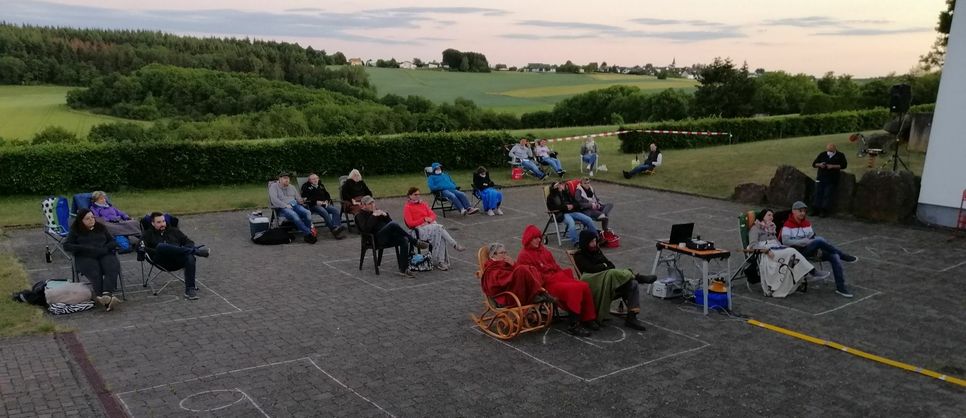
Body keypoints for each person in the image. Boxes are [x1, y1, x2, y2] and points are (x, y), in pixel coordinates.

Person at [516, 225, 597, 337]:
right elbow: (529, 277)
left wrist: (560, 274)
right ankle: (574, 324)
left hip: (557, 277)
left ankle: (588, 317)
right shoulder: (523, 255)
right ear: (528, 239)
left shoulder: (543, 250)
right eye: (535, 238)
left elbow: (554, 265)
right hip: (546, 284)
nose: (539, 240)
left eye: (539, 237)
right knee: (574, 289)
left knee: (584, 285)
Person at [572, 230, 653, 330]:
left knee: (632, 284)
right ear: (585, 242)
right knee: (611, 273)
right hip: (593, 284)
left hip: (607, 281)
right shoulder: (579, 255)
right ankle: (636, 276)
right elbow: (590, 269)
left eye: (595, 241)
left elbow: (611, 265)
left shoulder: (596, 250)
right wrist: (604, 266)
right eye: (591, 241)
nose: (594, 244)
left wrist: (603, 266)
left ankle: (631, 317)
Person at [781, 201, 858, 298]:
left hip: (811, 250)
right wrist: (801, 241)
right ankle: (843, 255)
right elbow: (785, 241)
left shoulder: (806, 224)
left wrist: (813, 245)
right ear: (793, 211)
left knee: (834, 256)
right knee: (819, 240)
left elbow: (812, 237)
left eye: (804, 211)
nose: (803, 213)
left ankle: (841, 288)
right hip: (797, 253)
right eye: (800, 211)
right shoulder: (787, 225)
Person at [748, 208, 831, 297]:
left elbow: (777, 242)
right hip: (765, 252)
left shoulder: (771, 227)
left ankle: (804, 275)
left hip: (776, 248)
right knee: (792, 251)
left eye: (772, 215)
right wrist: (766, 251)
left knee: (791, 252)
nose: (771, 217)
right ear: (762, 216)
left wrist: (783, 247)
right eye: (769, 215)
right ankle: (811, 272)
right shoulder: (755, 228)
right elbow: (752, 245)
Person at [355, 196, 430, 278]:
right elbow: (366, 229)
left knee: (403, 240)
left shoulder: (377, 212)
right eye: (370, 204)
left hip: (386, 236)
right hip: (375, 239)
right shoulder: (360, 215)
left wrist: (385, 215)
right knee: (393, 224)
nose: (373, 205)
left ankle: (404, 269)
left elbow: (390, 223)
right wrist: (373, 216)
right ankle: (414, 241)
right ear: (364, 205)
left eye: (373, 202)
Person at [63, 208, 122, 311]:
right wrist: (84, 248)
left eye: (92, 217)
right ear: (81, 221)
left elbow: (112, 242)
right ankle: (107, 301)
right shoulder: (76, 230)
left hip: (103, 253)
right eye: (87, 218)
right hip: (85, 256)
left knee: (111, 267)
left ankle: (107, 294)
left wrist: (106, 248)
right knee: (95, 272)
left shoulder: (101, 227)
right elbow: (67, 246)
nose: (91, 220)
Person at [141, 212, 210, 300]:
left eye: (163, 221)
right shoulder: (148, 234)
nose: (162, 224)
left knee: (189, 257)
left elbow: (189, 242)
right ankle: (196, 252)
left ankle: (190, 290)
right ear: (152, 223)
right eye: (159, 222)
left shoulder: (174, 231)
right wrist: (155, 251)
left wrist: (184, 249)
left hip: (177, 259)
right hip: (161, 261)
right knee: (161, 246)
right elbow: (141, 247)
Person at [402, 187, 466, 271]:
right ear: (410, 195)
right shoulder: (407, 207)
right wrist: (423, 220)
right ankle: (454, 245)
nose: (418, 196)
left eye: (418, 194)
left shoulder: (423, 204)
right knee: (438, 227)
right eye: (415, 194)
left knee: (440, 233)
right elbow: (410, 223)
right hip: (417, 231)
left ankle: (441, 262)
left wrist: (429, 220)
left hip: (429, 227)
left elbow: (433, 215)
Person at [480, 243, 553, 306]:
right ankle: (536, 294)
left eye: (505, 252)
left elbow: (514, 275)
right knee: (521, 269)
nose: (504, 255)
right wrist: (515, 270)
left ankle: (538, 293)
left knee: (530, 268)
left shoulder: (504, 263)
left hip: (514, 289)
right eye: (502, 253)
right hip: (506, 295)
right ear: (493, 255)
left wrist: (513, 264)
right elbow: (498, 284)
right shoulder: (491, 268)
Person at [546, 181, 598, 247]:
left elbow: (576, 203)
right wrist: (565, 207)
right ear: (553, 188)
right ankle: (576, 242)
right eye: (557, 185)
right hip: (563, 214)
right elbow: (552, 208)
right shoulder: (551, 197)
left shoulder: (566, 194)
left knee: (588, 219)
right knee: (571, 223)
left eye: (560, 184)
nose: (560, 186)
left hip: (573, 212)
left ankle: (595, 238)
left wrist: (572, 206)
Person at [269, 172, 317, 244]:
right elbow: (274, 200)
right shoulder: (273, 186)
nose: (287, 180)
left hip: (295, 205)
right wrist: (285, 205)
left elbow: (298, 198)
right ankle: (308, 233)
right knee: (294, 215)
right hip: (283, 207)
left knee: (307, 212)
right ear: (279, 179)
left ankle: (307, 234)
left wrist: (301, 200)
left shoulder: (292, 187)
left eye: (288, 178)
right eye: (284, 178)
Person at [300, 173, 347, 240]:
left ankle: (337, 227)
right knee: (323, 211)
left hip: (324, 203)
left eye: (316, 178)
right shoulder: (305, 186)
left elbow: (327, 194)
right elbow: (305, 198)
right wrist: (316, 201)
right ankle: (333, 229)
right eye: (313, 179)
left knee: (335, 210)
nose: (315, 180)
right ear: (309, 180)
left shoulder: (321, 185)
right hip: (313, 205)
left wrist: (327, 200)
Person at [811, 143, 848, 217]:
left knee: (827, 194)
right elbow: (814, 164)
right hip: (821, 177)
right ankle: (816, 209)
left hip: (832, 178)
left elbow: (844, 165)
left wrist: (833, 166)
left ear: (835, 149)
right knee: (818, 193)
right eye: (828, 151)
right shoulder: (822, 154)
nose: (829, 152)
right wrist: (820, 164)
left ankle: (824, 211)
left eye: (831, 151)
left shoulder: (840, 155)